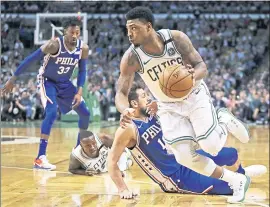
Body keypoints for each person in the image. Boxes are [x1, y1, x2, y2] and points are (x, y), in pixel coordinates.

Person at [115, 7, 251, 203]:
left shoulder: (175, 39)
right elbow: (121, 92)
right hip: (168, 106)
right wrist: (125, 109)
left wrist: (191, 76)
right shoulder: (131, 57)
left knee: (211, 147)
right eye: (127, 29)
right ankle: (235, 181)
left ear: (149, 27)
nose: (129, 34)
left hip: (194, 95)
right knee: (184, 157)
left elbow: (201, 65)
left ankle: (222, 118)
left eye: (134, 28)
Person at [109, 84, 267, 199]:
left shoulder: (152, 114)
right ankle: (242, 175)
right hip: (176, 177)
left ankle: (241, 172)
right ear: (134, 103)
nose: (148, 97)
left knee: (231, 154)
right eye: (144, 96)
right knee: (228, 188)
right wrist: (122, 189)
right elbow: (112, 162)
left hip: (185, 157)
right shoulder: (127, 128)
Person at [1, 18, 90, 170]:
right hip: (47, 81)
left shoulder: (83, 48)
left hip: (65, 83)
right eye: (71, 32)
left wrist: (80, 90)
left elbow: (82, 70)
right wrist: (13, 78)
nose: (74, 35)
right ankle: (40, 158)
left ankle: (77, 151)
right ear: (64, 32)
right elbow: (31, 59)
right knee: (51, 112)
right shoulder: (54, 45)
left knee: (85, 113)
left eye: (77, 32)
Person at [69, 130, 133, 176]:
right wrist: (84, 172)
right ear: (81, 145)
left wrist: (120, 170)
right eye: (88, 145)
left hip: (117, 153)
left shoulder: (104, 139)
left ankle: (128, 162)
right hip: (104, 168)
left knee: (122, 163)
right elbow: (72, 170)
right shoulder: (75, 156)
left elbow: (122, 148)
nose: (92, 147)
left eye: (94, 143)